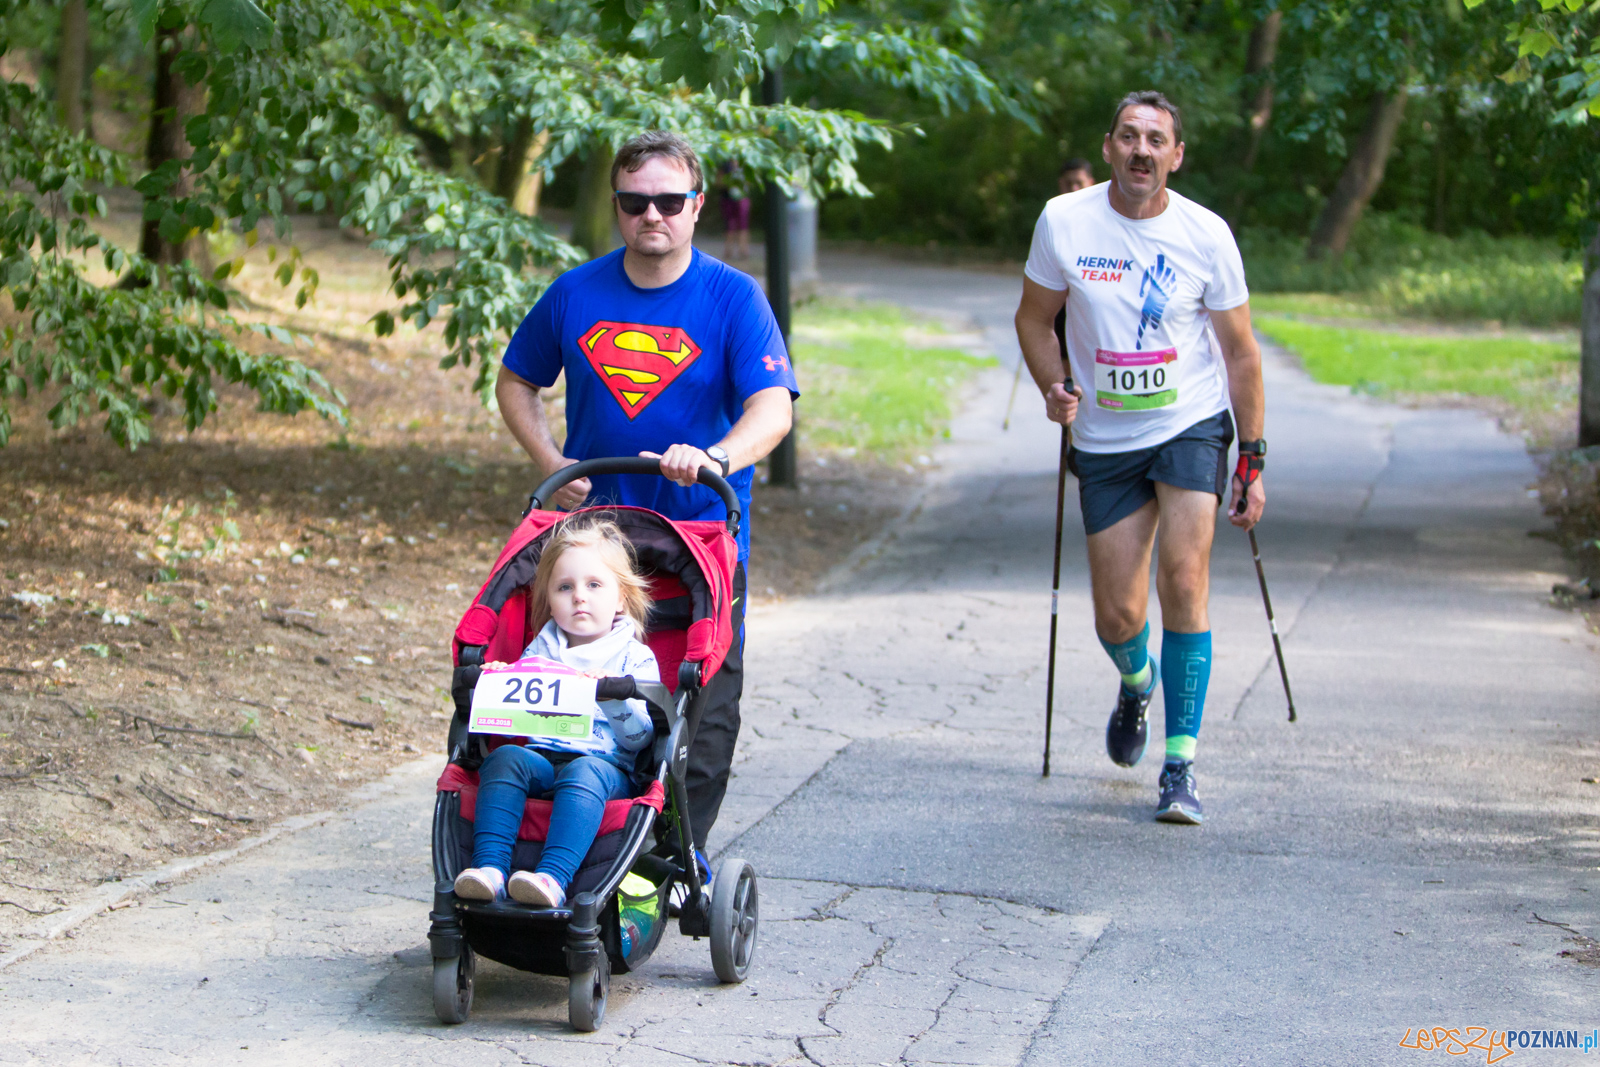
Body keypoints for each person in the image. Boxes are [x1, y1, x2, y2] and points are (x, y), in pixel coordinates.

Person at [494, 130, 798, 865]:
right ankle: (573, 842)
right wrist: (552, 460)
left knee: (701, 703)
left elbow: (772, 409)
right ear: (617, 206)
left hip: (699, 543)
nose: (651, 215)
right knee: (571, 687)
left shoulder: (733, 297)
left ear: (697, 205)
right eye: (634, 202)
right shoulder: (575, 292)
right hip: (593, 543)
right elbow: (516, 380)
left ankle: (671, 855)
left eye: (668, 200)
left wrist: (716, 457)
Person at [1013, 90, 1267, 825]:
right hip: (1105, 438)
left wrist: (1251, 457)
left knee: (1184, 578)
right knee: (1118, 615)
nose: (1141, 150)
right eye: (1129, 136)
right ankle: (1137, 680)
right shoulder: (1065, 220)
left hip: (1189, 424)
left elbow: (1241, 353)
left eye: (1156, 140)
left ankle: (1180, 765)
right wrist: (1054, 384)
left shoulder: (1206, 234)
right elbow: (1034, 320)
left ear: (1176, 156)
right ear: (1109, 147)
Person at [453, 518, 660, 908]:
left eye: (594, 585)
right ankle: (490, 869)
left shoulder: (634, 658)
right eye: (565, 587)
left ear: (621, 598)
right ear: (549, 600)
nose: (579, 596)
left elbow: (641, 739)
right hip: (543, 759)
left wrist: (613, 698)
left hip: (606, 769)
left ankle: (552, 877)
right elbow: (515, 715)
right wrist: (498, 684)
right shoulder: (540, 650)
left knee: (584, 772)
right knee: (505, 758)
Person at [719, 158, 752, 262]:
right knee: (729, 225)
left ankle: (743, 250)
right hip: (728, 198)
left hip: (742, 198)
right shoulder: (726, 165)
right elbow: (719, 181)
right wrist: (729, 183)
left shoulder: (745, 164)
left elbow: (750, 181)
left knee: (743, 224)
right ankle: (728, 250)